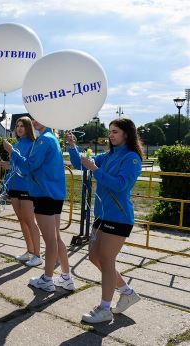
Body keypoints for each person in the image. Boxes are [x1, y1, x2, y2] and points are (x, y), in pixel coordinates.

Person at [66, 118, 143, 323]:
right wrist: (73, 146)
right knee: (94, 257)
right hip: (102, 215)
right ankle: (127, 292)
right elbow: (79, 164)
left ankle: (104, 308)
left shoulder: (132, 158)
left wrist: (96, 170)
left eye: (115, 131)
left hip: (119, 217)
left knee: (107, 260)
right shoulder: (108, 155)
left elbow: (120, 185)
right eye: (109, 131)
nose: (111, 135)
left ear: (127, 133)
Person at [3, 120, 74, 293]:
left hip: (45, 194)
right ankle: (66, 277)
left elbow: (28, 166)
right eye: (33, 118)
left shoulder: (43, 140)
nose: (34, 121)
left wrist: (12, 152)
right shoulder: (51, 138)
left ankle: (47, 279)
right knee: (56, 238)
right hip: (53, 193)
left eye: (38, 118)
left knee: (50, 241)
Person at [0, 117, 42, 267]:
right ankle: (29, 251)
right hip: (14, 186)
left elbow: (27, 166)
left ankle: (38, 255)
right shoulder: (16, 144)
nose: (19, 128)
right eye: (17, 126)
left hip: (27, 187)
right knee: (22, 220)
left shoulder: (33, 145)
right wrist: (8, 165)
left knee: (30, 221)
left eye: (22, 126)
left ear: (29, 128)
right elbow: (16, 165)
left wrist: (11, 152)